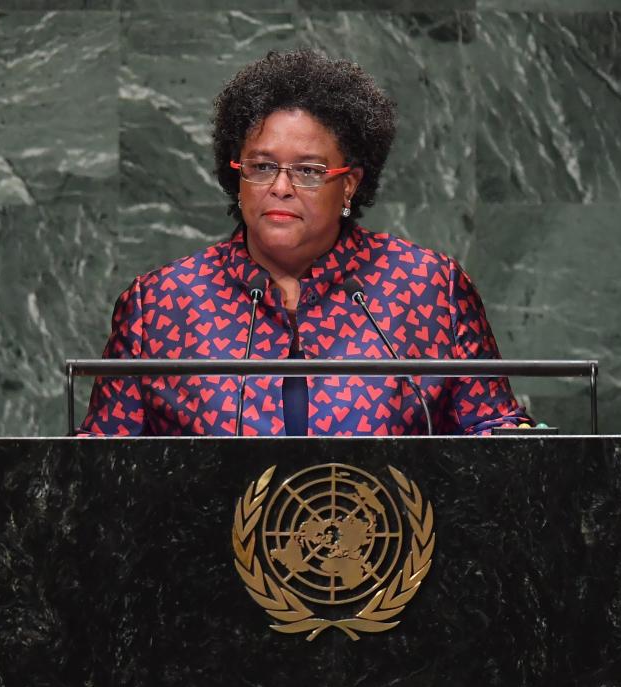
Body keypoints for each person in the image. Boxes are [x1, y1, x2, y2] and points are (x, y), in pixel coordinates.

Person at [80, 49, 531, 437]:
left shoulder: (429, 288)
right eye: (261, 167)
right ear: (236, 177)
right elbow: (98, 469)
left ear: (350, 184)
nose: (280, 187)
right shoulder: (160, 303)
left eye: (309, 171)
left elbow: (494, 439)